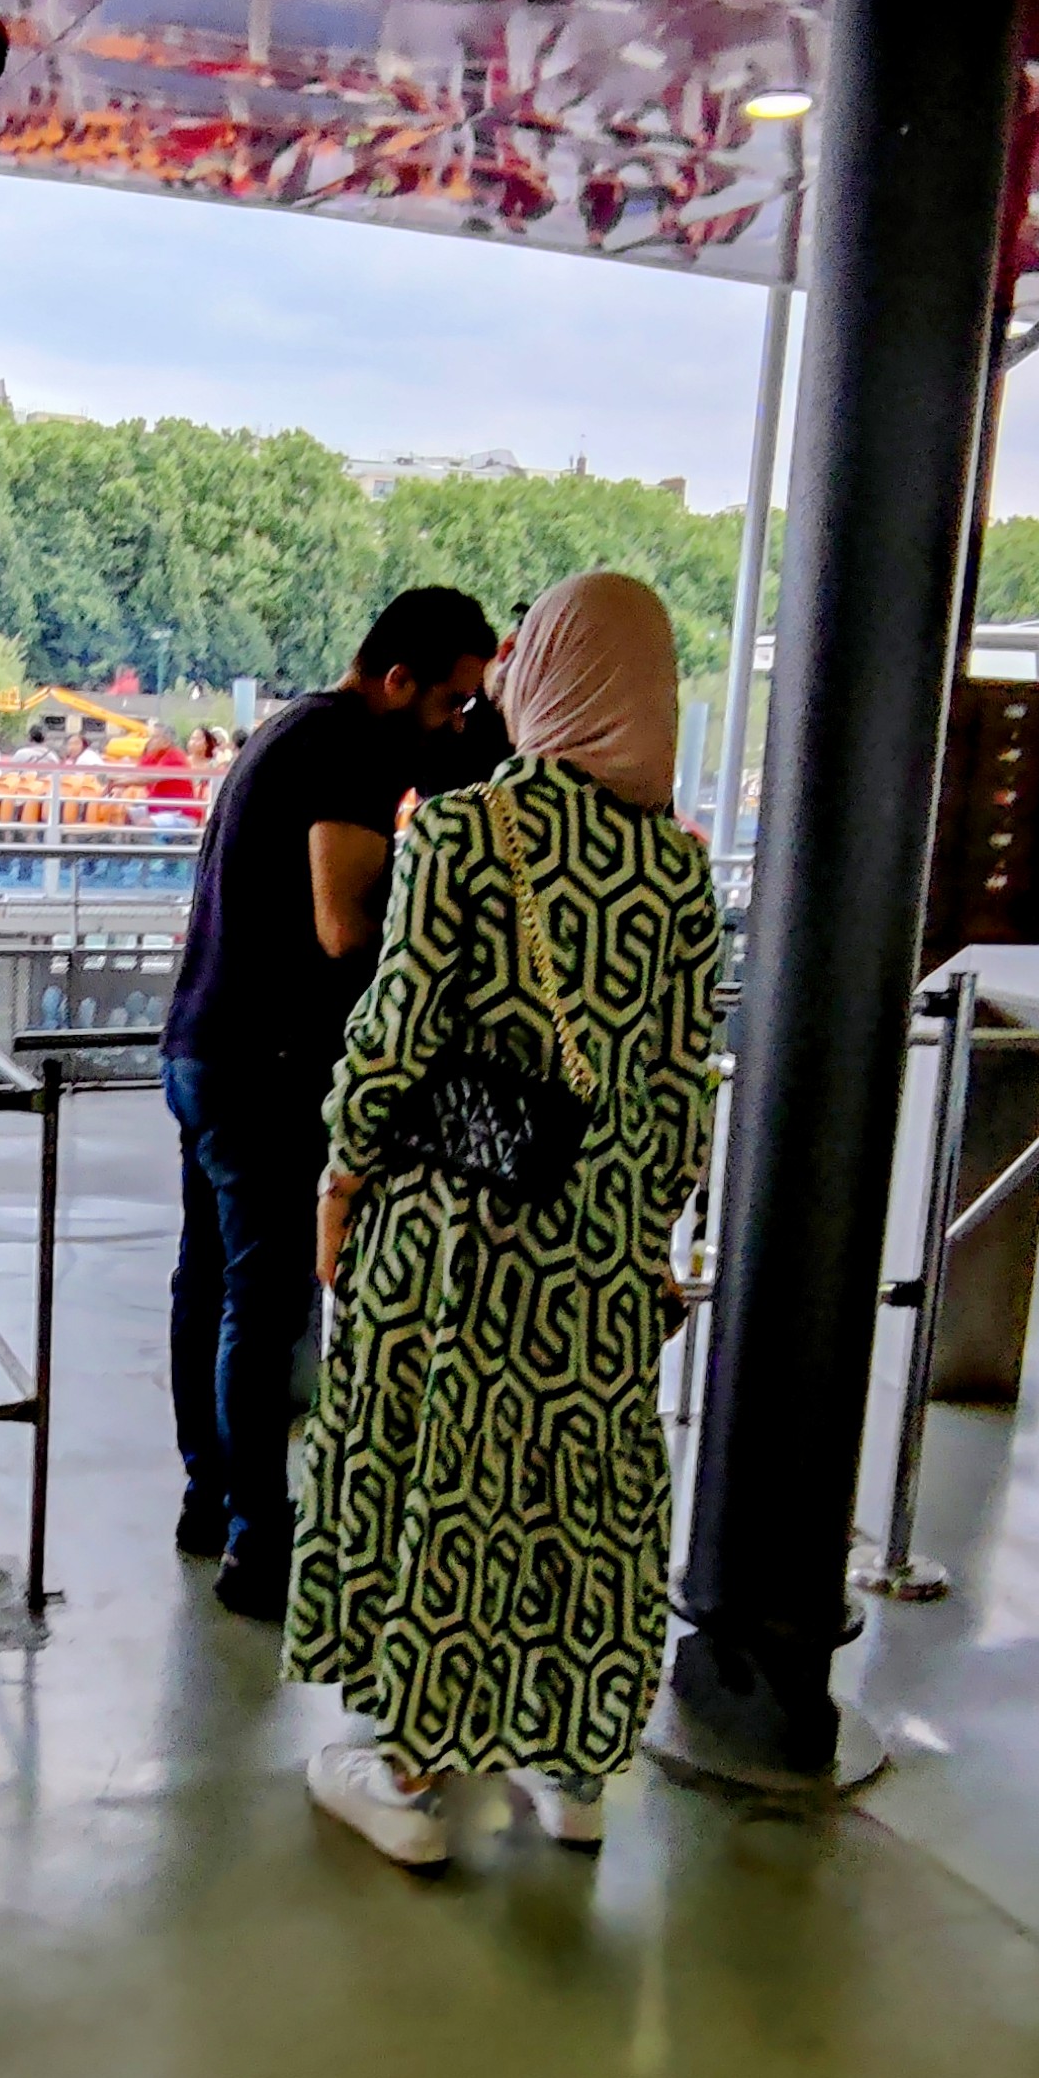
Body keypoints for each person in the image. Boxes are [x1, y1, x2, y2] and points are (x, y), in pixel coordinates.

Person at [287, 573, 724, 1866]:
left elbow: (396, 1033)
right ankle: (572, 1767)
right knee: (574, 1489)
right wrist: (648, 1231)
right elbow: (684, 1081)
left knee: (444, 1475)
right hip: (601, 1245)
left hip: (457, 1232)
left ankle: (412, 1776)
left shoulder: (467, 831)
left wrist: (341, 1177)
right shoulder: (679, 871)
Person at [158, 585, 501, 1618]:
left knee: (210, 1283)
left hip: (202, 1046)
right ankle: (259, 1543)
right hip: (266, 1066)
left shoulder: (293, 729)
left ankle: (211, 1499)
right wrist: (442, 916)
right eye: (451, 702)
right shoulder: (349, 747)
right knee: (263, 1308)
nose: (456, 724)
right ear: (396, 680)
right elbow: (343, 926)